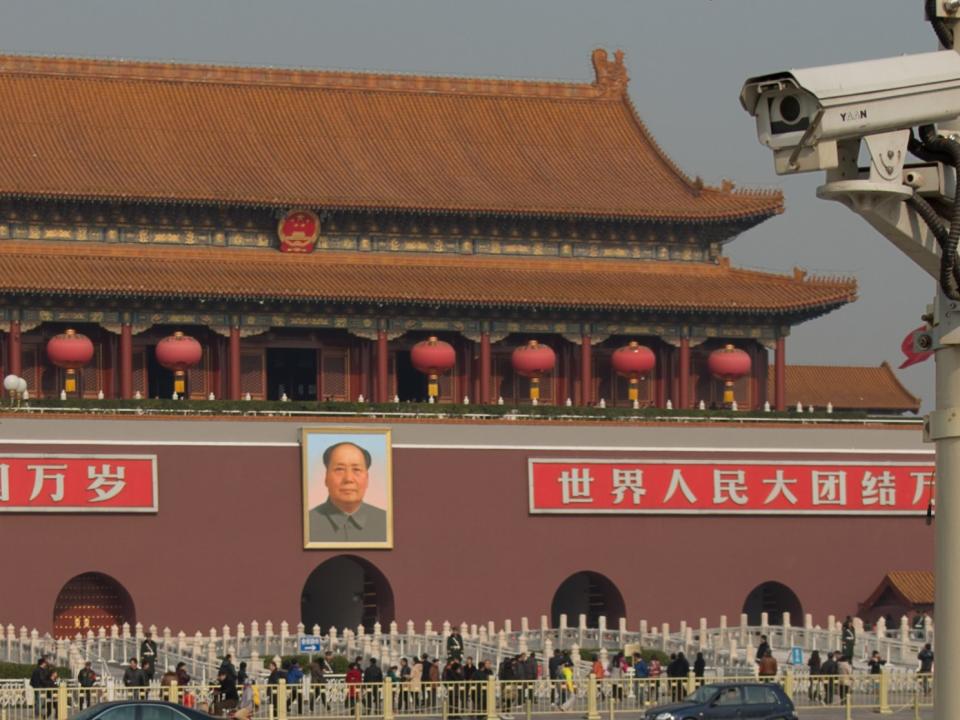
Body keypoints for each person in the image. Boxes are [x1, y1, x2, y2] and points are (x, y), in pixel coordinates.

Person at [308, 441, 388, 542]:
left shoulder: (387, 522)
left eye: (356, 470)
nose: (348, 479)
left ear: (367, 478)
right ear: (326, 477)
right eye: (339, 469)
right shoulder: (307, 523)